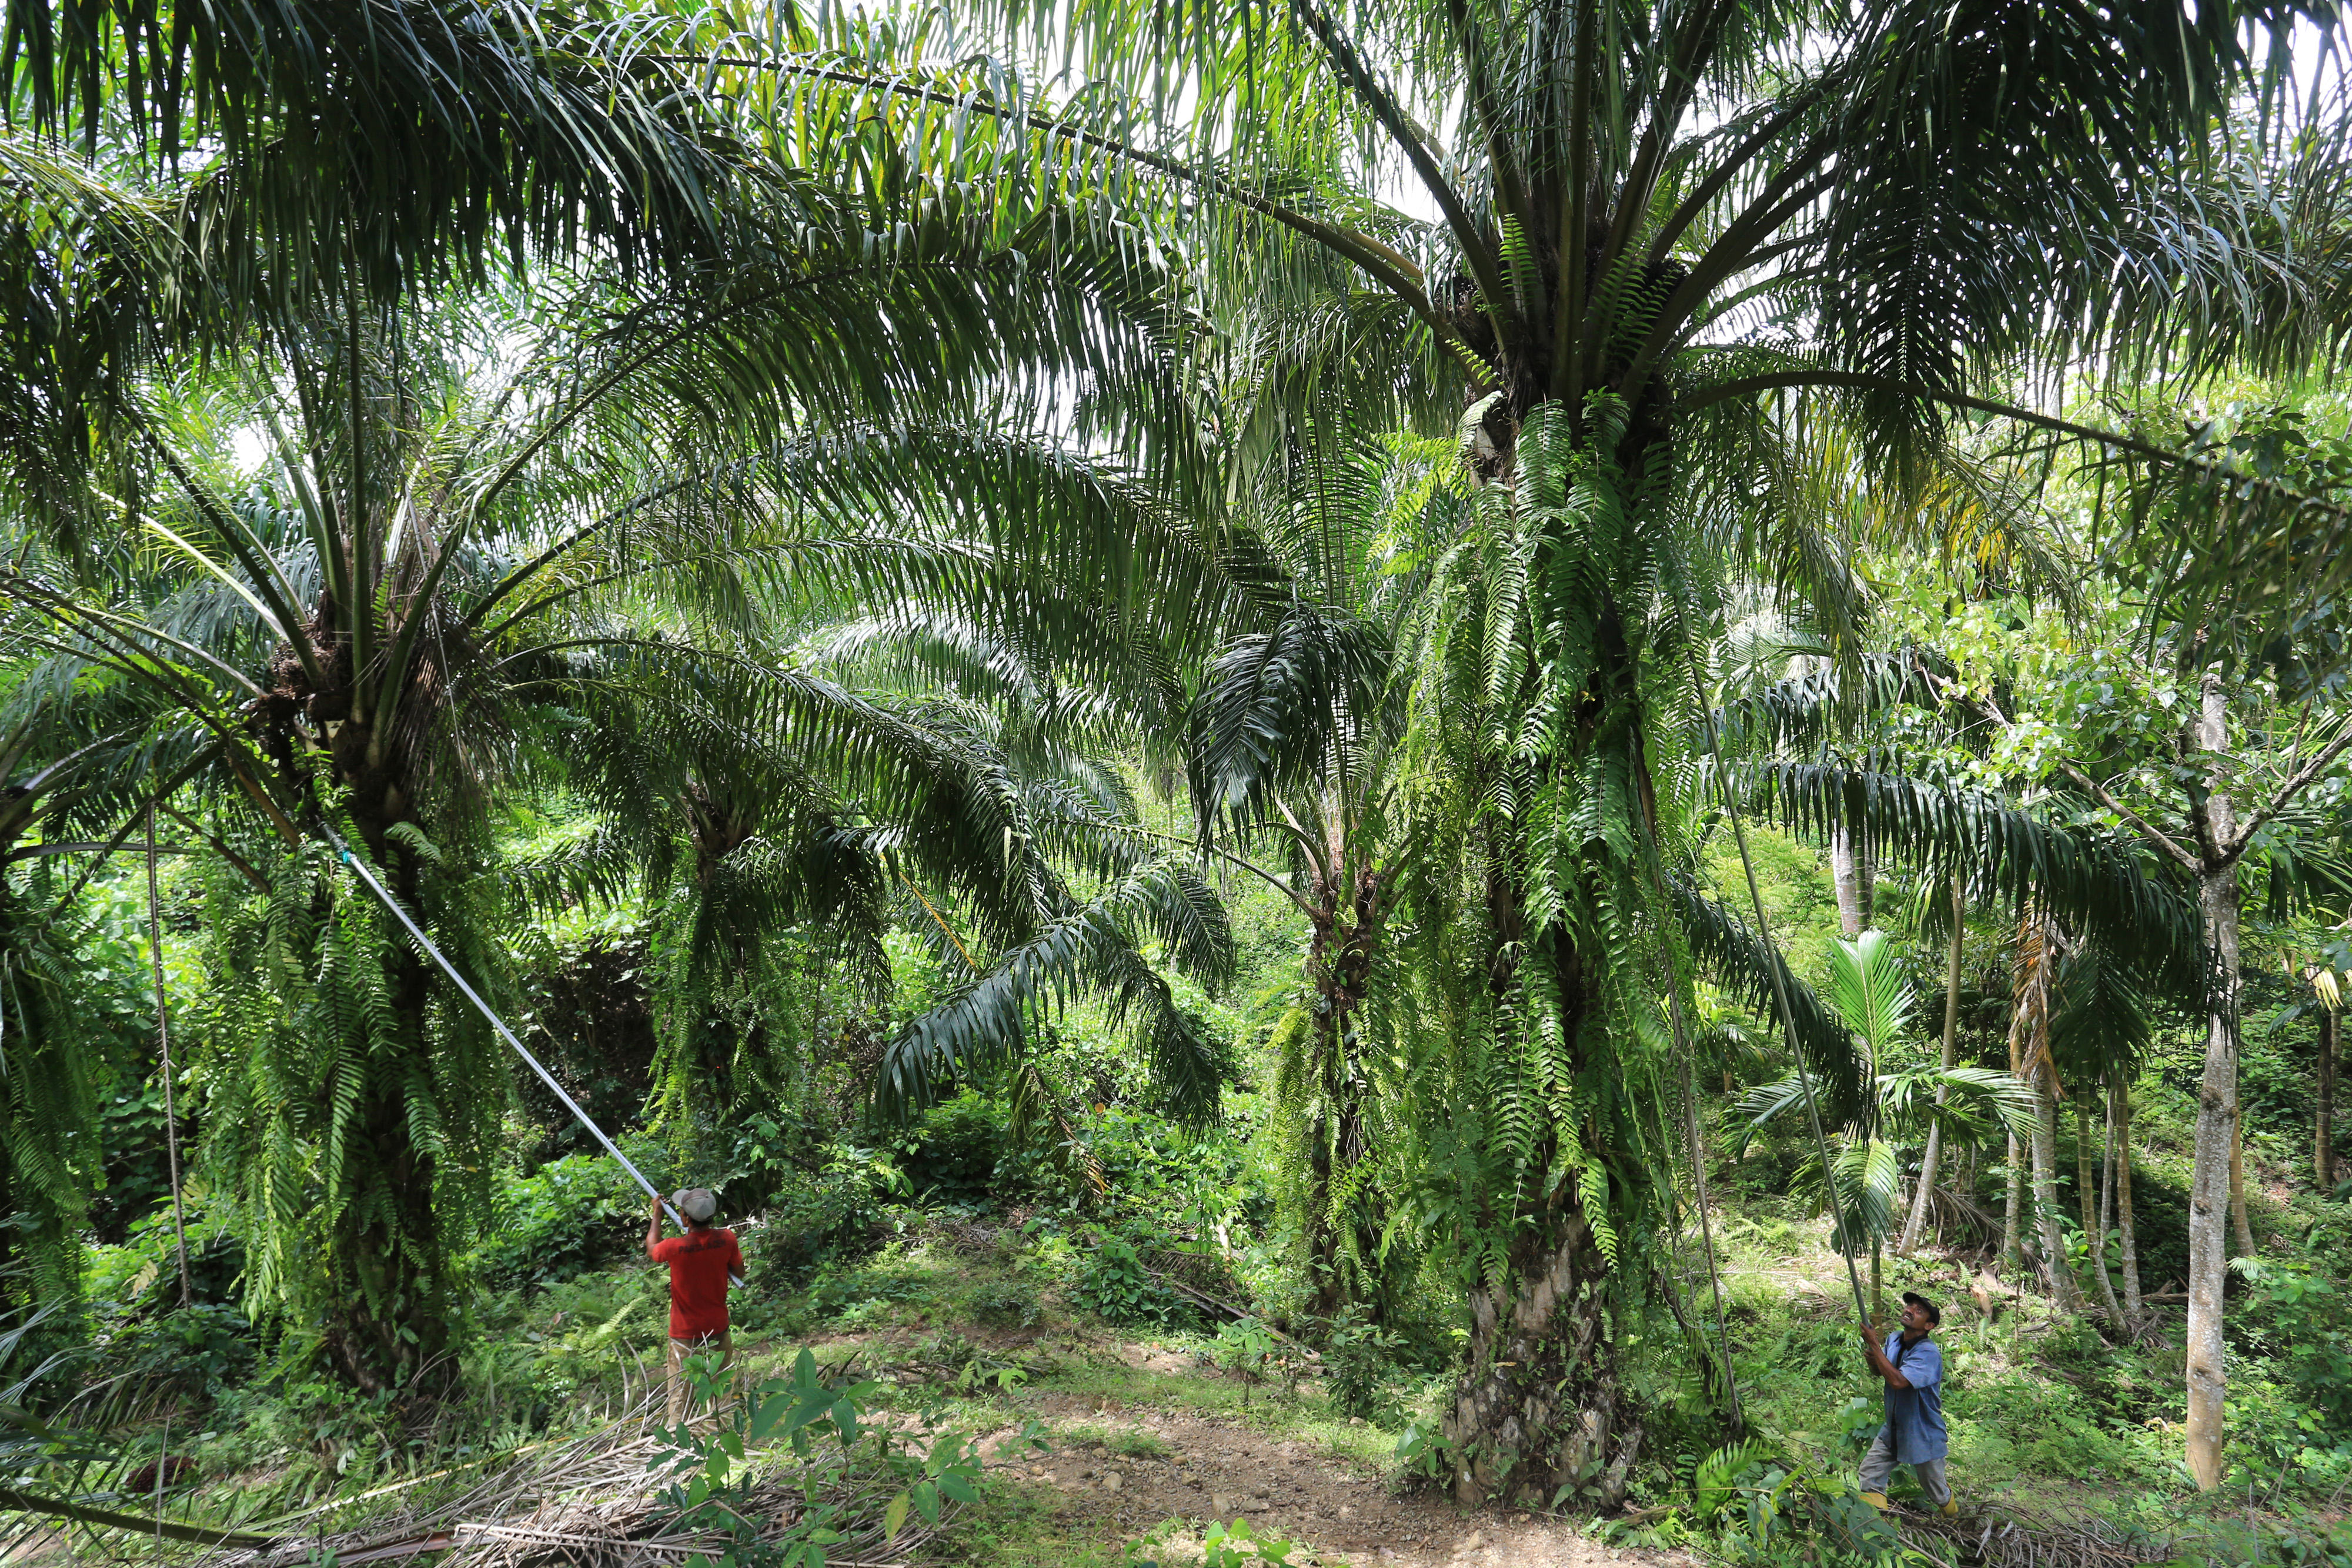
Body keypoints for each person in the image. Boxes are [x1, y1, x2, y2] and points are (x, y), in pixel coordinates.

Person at [647, 1188, 746, 1426]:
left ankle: (677, 1436)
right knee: (721, 1386)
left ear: (685, 1218)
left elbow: (652, 1249)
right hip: (718, 1328)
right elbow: (739, 1272)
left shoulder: (674, 1247)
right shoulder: (727, 1239)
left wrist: (657, 1214)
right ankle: (722, 1433)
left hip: (685, 1334)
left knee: (680, 1392)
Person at [1857, 1291, 1956, 1517]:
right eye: (1910, 1306)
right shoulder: (1894, 1339)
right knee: (1870, 1472)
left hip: (1923, 1433)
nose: (1910, 1310)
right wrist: (1874, 1358)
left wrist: (1874, 1344)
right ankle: (1876, 1525)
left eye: (1918, 1311)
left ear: (1929, 1326)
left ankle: (1954, 1520)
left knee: (1936, 1489)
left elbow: (1898, 1382)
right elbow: (1881, 1372)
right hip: (1894, 1428)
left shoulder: (1928, 1353)